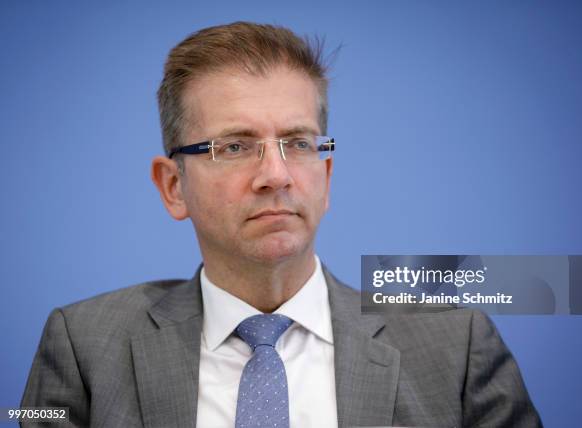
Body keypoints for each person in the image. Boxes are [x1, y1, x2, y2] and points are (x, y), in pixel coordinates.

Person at [21, 22, 542, 427]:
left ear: (327, 176)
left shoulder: (457, 346)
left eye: (298, 143)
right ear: (173, 186)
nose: (276, 175)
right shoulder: (85, 344)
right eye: (234, 146)